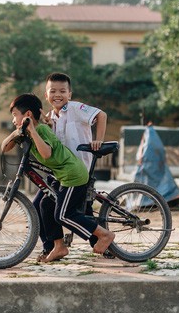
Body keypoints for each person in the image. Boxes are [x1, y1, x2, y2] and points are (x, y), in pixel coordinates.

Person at [1, 93, 115, 263]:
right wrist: (17, 131)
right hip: (62, 175)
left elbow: (46, 154)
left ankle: (104, 235)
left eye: (15, 115)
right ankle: (58, 246)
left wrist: (32, 129)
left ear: (28, 115)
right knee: (44, 204)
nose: (13, 119)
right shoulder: (29, 131)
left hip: (72, 174)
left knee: (63, 215)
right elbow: (5, 147)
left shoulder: (41, 130)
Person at [38, 72, 108, 258]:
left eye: (62, 91)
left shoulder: (76, 108)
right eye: (53, 91)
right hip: (62, 171)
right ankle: (51, 246)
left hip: (78, 170)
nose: (57, 95)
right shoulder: (50, 117)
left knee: (72, 211)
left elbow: (101, 115)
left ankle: (103, 240)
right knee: (41, 204)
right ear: (46, 95)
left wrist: (98, 140)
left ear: (70, 94)